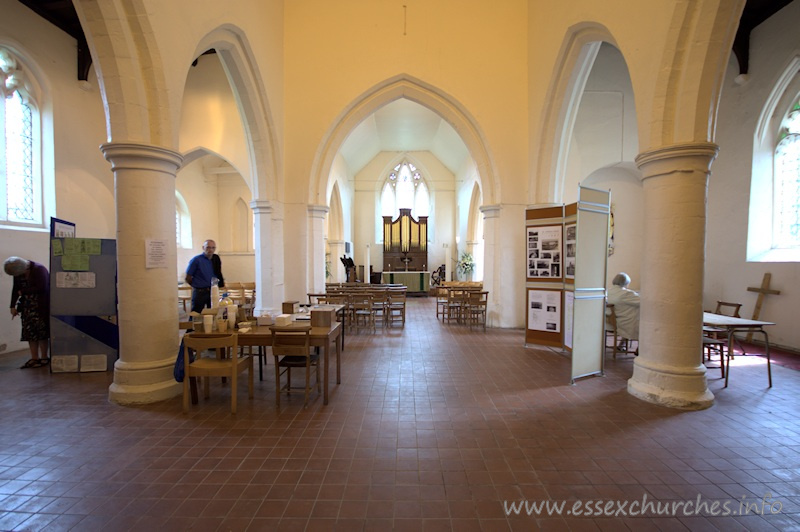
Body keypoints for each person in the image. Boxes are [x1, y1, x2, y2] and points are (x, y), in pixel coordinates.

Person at [5, 256, 50, 369]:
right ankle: (34, 357)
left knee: (42, 332)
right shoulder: (18, 272)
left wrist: (23, 291)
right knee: (29, 333)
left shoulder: (39, 269)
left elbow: (43, 287)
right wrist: (12, 306)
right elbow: (15, 289)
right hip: (27, 307)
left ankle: (44, 357)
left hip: (40, 306)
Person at [185, 239, 225, 314]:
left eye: (213, 248)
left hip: (212, 291)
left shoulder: (215, 260)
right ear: (203, 248)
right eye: (208, 247)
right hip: (200, 292)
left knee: (214, 312)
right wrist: (197, 285)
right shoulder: (196, 260)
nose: (210, 250)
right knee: (196, 314)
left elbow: (218, 274)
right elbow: (188, 277)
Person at [607, 272, 640, 342]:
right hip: (623, 321)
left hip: (609, 320)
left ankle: (623, 343)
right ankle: (640, 346)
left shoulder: (608, 291)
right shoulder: (626, 294)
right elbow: (642, 302)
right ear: (626, 283)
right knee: (640, 313)